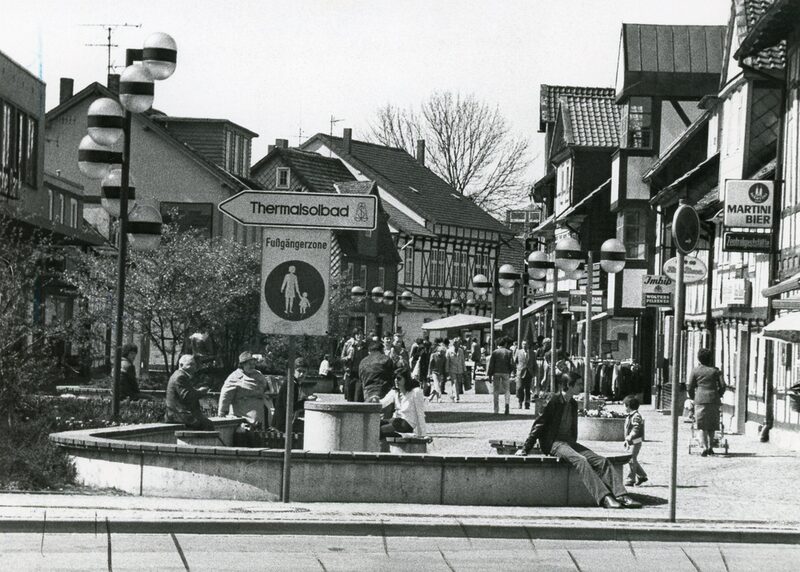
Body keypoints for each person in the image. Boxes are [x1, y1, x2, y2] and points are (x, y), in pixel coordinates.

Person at [515, 372, 642, 509]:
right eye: (579, 384)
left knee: (602, 461)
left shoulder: (573, 403)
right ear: (569, 385)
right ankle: (605, 498)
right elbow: (539, 425)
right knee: (581, 460)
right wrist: (525, 448)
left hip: (569, 443)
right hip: (554, 443)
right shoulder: (553, 401)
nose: (582, 387)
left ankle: (622, 495)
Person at [687, 348, 726, 456]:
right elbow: (723, 386)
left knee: (701, 425)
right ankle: (710, 447)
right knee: (712, 424)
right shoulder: (716, 371)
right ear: (710, 359)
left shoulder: (695, 371)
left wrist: (693, 397)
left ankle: (704, 447)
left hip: (700, 399)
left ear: (699, 358)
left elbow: (690, 387)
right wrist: (719, 394)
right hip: (713, 399)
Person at [217, 351, 269, 427]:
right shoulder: (235, 377)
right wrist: (222, 412)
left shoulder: (258, 374)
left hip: (260, 414)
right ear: (242, 364)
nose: (252, 366)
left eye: (254, 364)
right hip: (244, 416)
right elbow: (225, 395)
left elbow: (265, 387)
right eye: (249, 364)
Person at [164, 354, 214, 430]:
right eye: (190, 364)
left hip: (178, 414)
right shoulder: (180, 377)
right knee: (207, 425)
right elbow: (187, 397)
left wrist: (197, 391)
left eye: (194, 364)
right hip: (178, 415)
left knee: (206, 423)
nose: (194, 367)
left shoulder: (181, 375)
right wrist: (201, 392)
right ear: (181, 365)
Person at [379, 366, 428, 437]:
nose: (396, 380)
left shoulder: (415, 392)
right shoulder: (394, 392)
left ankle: (405, 436)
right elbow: (383, 403)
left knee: (380, 430)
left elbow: (420, 414)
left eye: (399, 378)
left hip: (407, 423)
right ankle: (402, 436)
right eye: (395, 378)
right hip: (395, 420)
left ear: (406, 379)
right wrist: (374, 400)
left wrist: (423, 434)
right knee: (375, 425)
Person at [272, 357, 316, 433]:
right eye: (299, 371)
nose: (302, 374)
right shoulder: (291, 384)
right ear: (293, 371)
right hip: (282, 425)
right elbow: (290, 407)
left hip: (284, 422)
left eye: (304, 372)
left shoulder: (294, 383)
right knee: (311, 427)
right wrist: (306, 401)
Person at [623, 395, 648, 486]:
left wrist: (630, 436)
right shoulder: (631, 415)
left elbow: (636, 428)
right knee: (632, 459)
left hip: (635, 441)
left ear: (628, 406)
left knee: (631, 459)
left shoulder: (636, 416)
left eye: (625, 406)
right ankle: (642, 476)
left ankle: (631, 479)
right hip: (631, 441)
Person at [487, 337, 514, 414]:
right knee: (507, 390)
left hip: (496, 372)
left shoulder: (495, 352)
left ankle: (496, 409)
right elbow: (512, 364)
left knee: (496, 391)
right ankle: (507, 404)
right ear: (505, 344)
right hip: (506, 372)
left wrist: (489, 374)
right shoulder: (509, 352)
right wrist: (510, 371)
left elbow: (491, 364)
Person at [342, 330, 367, 401]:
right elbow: (341, 358)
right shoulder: (349, 346)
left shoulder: (366, 347)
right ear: (354, 336)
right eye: (357, 334)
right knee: (349, 397)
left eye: (361, 334)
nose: (359, 336)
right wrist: (348, 357)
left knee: (358, 397)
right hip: (350, 374)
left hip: (360, 376)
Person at [445, 338, 466, 402]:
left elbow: (463, 360)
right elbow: (447, 361)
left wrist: (464, 369)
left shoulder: (461, 351)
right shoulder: (449, 351)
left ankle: (453, 395)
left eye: (459, 343)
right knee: (455, 382)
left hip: (459, 369)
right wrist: (447, 370)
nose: (458, 344)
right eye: (457, 343)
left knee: (458, 383)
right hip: (452, 369)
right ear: (454, 344)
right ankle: (457, 397)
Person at [514, 340, 532, 409]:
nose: (524, 345)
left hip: (529, 373)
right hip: (520, 373)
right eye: (523, 344)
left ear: (528, 345)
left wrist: (534, 372)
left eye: (526, 344)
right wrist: (517, 369)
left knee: (528, 389)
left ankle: (527, 403)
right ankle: (520, 402)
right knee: (520, 388)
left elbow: (534, 363)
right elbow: (515, 361)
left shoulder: (532, 353)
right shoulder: (518, 352)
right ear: (521, 345)